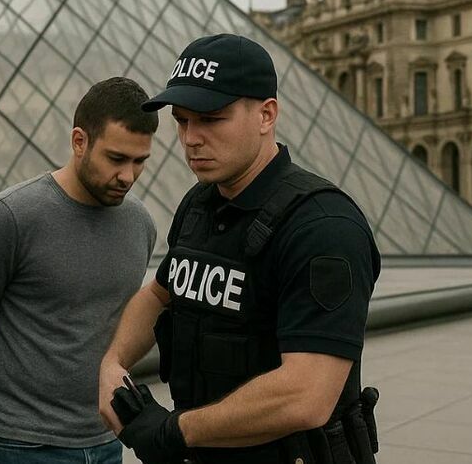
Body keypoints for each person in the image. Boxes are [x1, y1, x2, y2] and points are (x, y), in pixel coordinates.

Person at [99, 33, 382, 464]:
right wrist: (112, 363)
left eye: (211, 118)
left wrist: (175, 431)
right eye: (182, 120)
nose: (190, 138)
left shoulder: (323, 227)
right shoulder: (199, 203)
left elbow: (306, 395)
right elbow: (159, 293)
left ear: (266, 115)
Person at [0, 77, 159, 464]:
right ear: (79, 141)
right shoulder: (9, 217)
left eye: (140, 161)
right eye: (116, 158)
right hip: (21, 445)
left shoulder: (141, 224)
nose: (128, 176)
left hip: (107, 438)